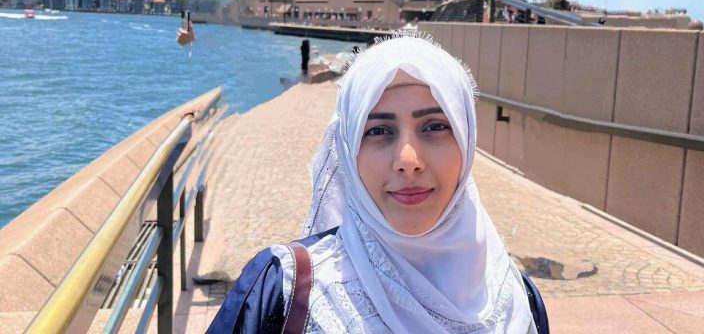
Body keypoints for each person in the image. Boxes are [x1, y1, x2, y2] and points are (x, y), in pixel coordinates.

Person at [208, 33, 546, 333]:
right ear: (347, 150)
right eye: (378, 131)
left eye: (434, 127)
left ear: (467, 139)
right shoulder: (285, 290)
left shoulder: (519, 300)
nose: (408, 161)